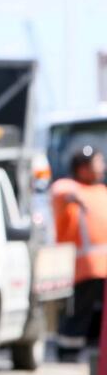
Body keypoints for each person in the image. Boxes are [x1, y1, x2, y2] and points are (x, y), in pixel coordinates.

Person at [51, 145, 107, 359]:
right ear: (83, 168)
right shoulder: (69, 188)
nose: (102, 167)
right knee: (78, 314)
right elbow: (59, 190)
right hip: (83, 269)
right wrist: (75, 195)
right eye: (98, 162)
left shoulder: (101, 191)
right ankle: (68, 353)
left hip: (102, 268)